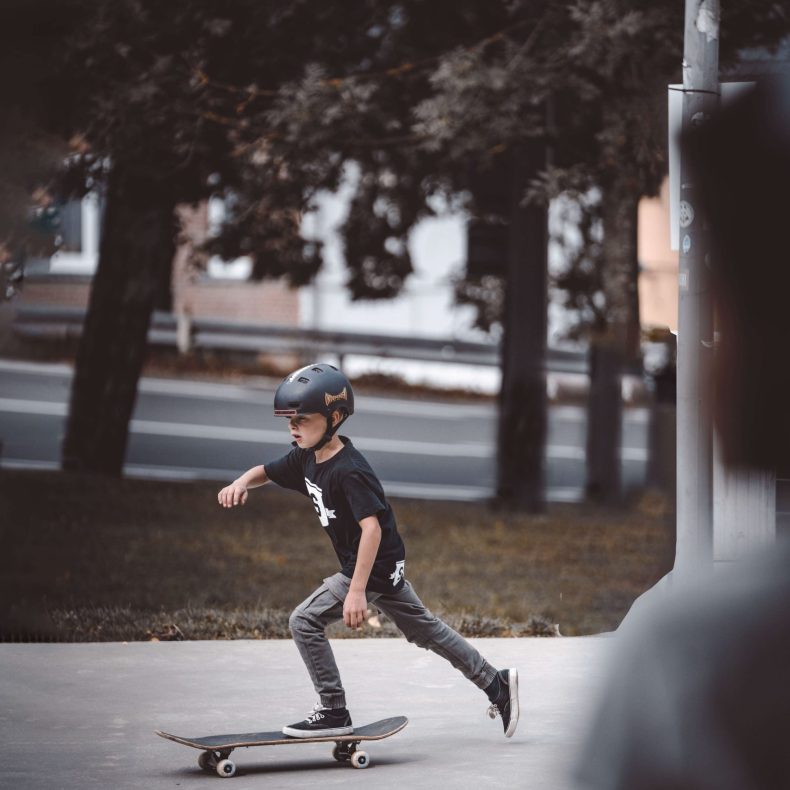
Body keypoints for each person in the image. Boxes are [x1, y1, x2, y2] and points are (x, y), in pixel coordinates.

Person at [217, 362, 519, 739]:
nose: (293, 427)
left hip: (371, 565)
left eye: (302, 419)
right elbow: (265, 469)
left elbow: (371, 530)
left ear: (335, 417)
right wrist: (241, 482)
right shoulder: (306, 457)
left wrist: (357, 590)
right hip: (386, 565)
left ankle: (333, 711)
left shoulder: (349, 471)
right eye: (289, 420)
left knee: (304, 621)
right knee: (426, 632)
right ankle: (496, 684)